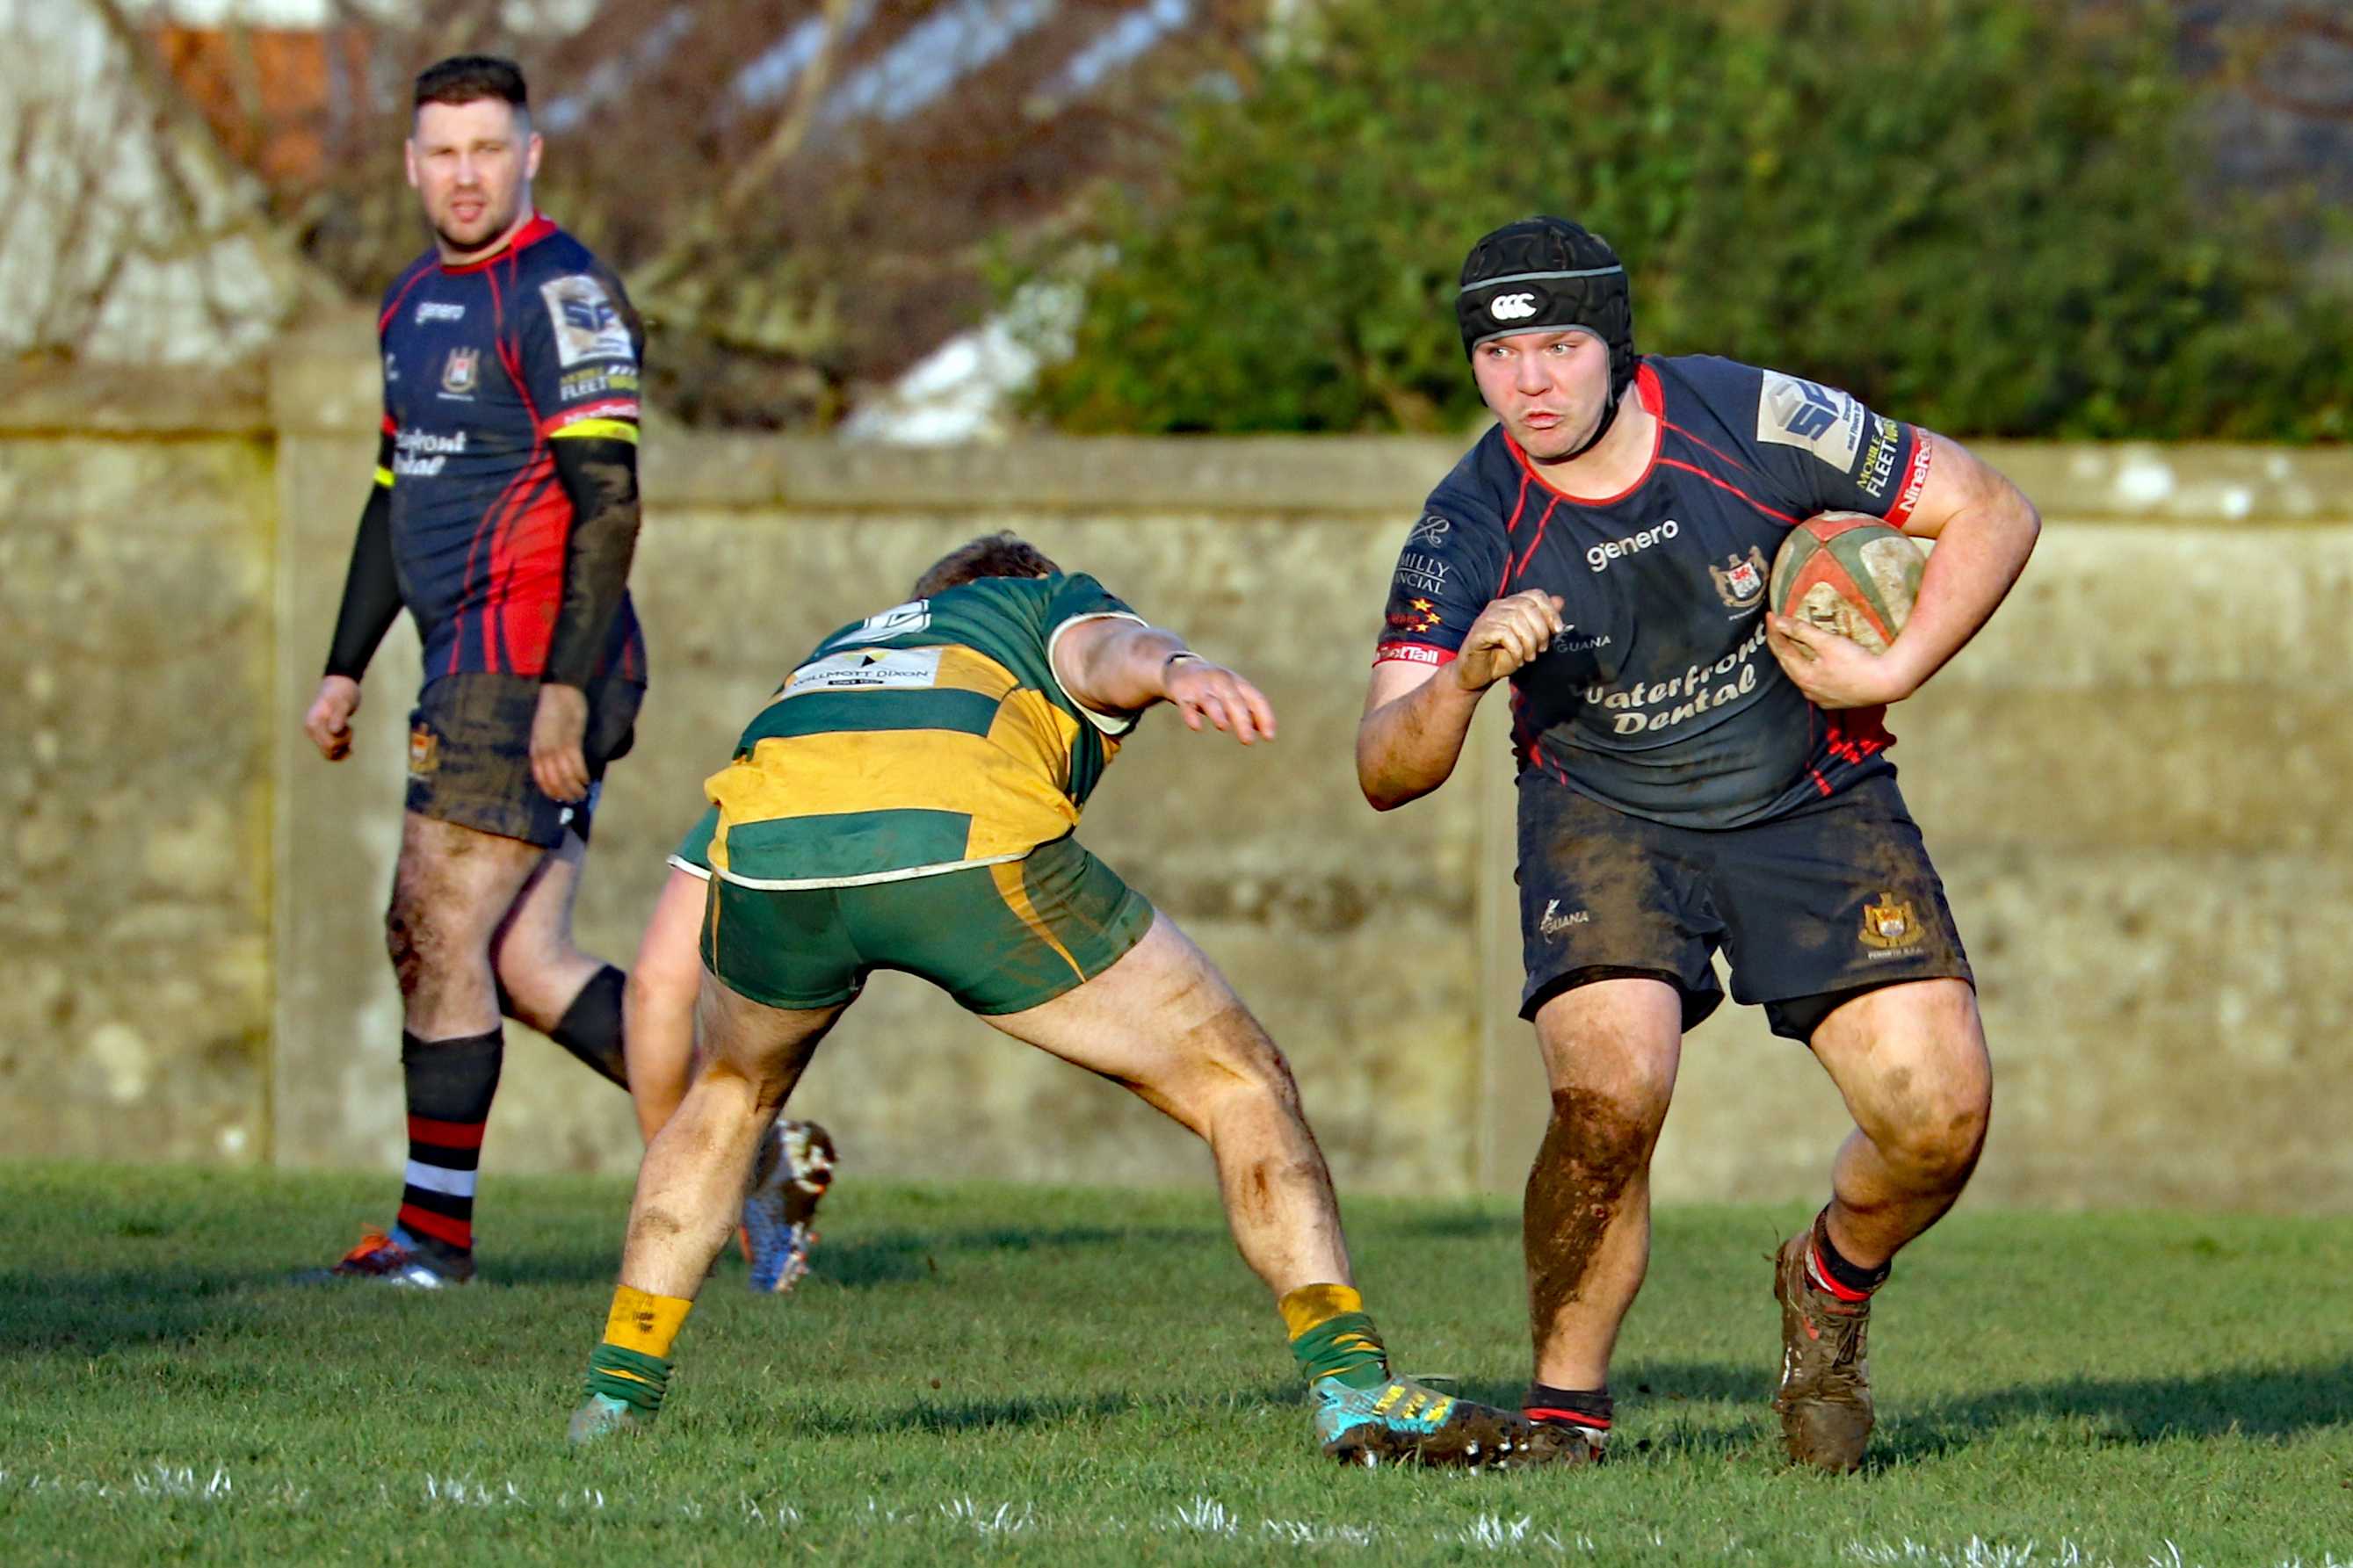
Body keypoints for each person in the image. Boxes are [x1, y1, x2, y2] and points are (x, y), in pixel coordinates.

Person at [568, 533, 1560, 1469]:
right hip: (961, 849)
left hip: (767, 862)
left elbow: (658, 975)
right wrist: (1177, 671)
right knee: (1238, 1084)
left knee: (733, 1093)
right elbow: (1103, 649)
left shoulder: (835, 662)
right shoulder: (1033, 604)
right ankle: (1351, 1390)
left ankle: (613, 1400)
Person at [1356, 217, 2040, 1471]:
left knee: (1939, 1120)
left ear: (1611, 344)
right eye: (1497, 358)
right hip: (1601, 815)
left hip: (1812, 800)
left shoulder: (1745, 416)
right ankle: (1565, 1415)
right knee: (1608, 1098)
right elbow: (1382, 765)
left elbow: (1989, 507)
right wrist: (1458, 681)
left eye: (1558, 347)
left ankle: (1828, 1286)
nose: (1529, 383)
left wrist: (1891, 665)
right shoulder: (1464, 524)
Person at [298, 54, 654, 1288]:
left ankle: (432, 1239)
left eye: (487, 150)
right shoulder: (407, 304)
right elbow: (397, 491)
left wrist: (565, 684)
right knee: (523, 965)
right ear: (411, 164)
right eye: (443, 152)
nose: (464, 174)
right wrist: (345, 664)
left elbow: (607, 504)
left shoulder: (559, 293)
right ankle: (754, 1142)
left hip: (532, 659)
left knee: (430, 923)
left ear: (530, 155)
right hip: (468, 658)